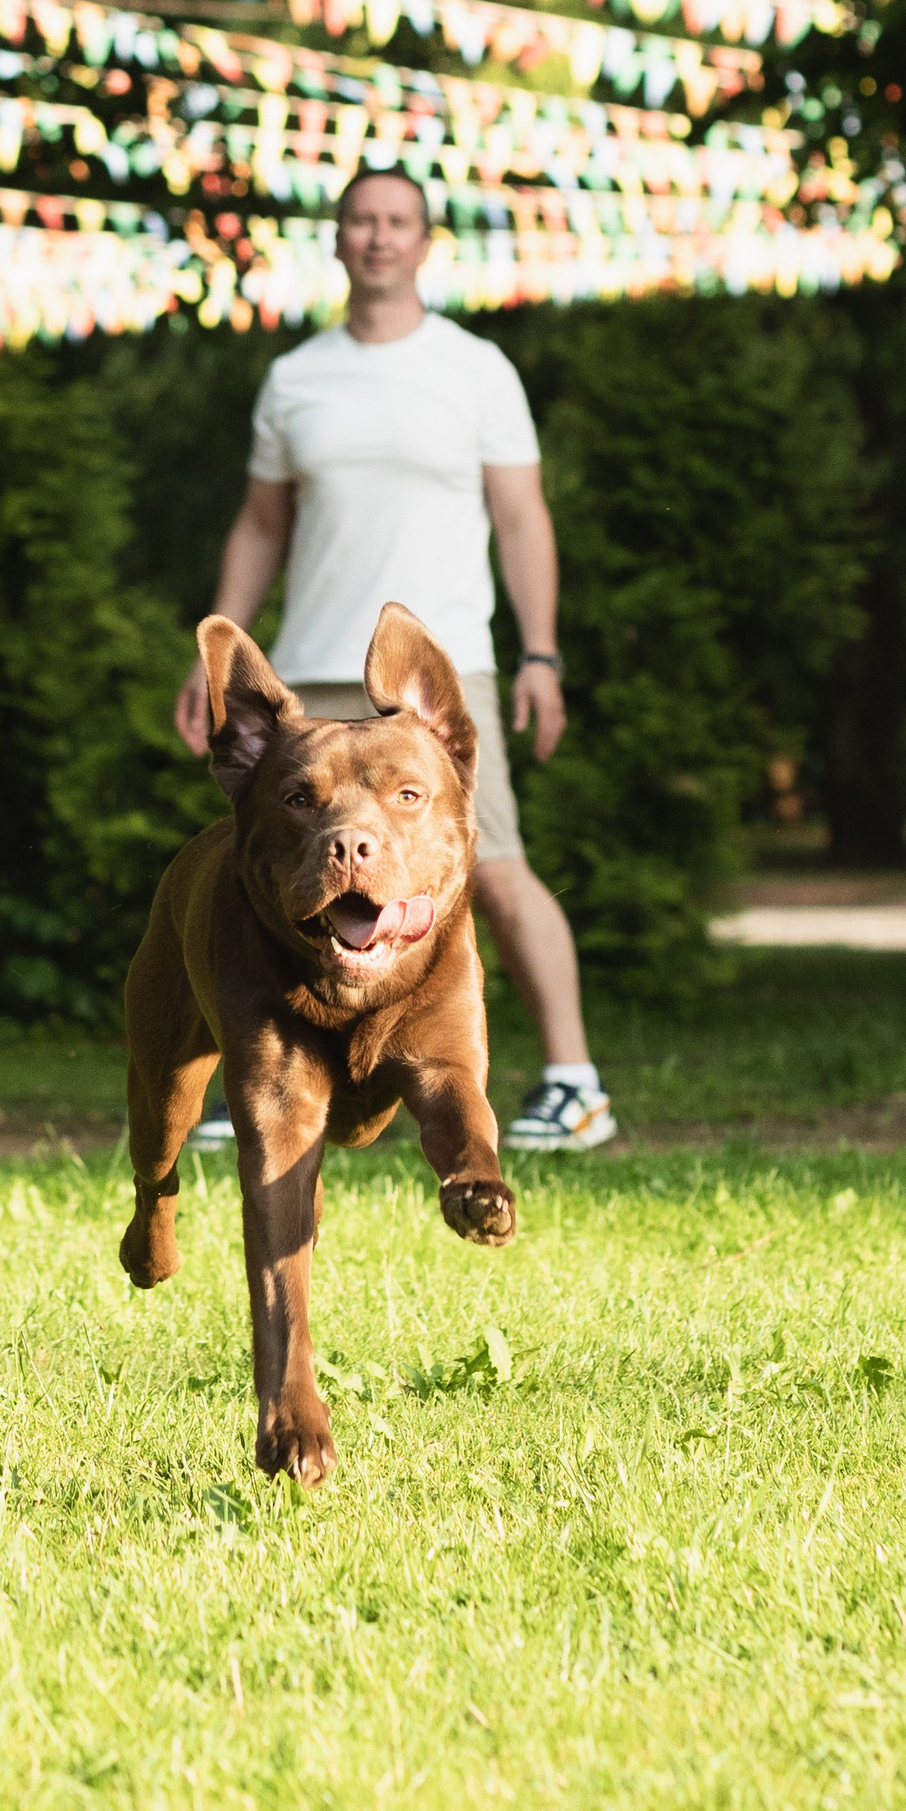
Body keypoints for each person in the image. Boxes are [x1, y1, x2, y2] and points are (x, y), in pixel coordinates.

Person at [171, 163, 613, 1155]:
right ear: (337, 239)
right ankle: (258, 1080)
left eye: (396, 220)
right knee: (267, 879)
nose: (376, 235)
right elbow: (258, 523)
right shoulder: (296, 378)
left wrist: (539, 652)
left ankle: (574, 1082)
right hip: (308, 681)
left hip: (433, 682)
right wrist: (214, 655)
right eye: (360, 219)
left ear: (423, 241)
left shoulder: (476, 368)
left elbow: (520, 517)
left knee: (491, 868)